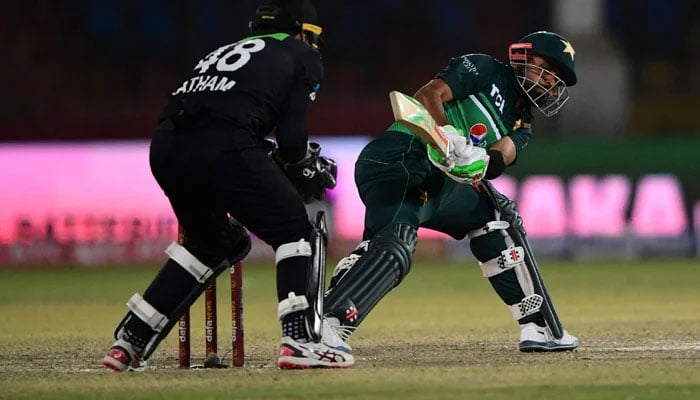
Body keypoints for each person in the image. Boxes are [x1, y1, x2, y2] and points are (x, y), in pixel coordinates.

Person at [102, 0, 353, 371]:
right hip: (224, 143)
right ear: (301, 30)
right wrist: (301, 165)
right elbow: (291, 140)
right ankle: (299, 340)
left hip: (167, 146)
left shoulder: (223, 51)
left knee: (216, 241)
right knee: (296, 230)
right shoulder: (300, 54)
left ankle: (130, 340)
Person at [320, 31, 581, 360]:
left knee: (497, 216)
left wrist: (481, 161)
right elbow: (428, 95)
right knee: (396, 245)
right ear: (522, 58)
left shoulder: (522, 124)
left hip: (442, 185)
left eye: (556, 81)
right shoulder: (486, 69)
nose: (549, 84)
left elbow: (502, 156)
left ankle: (538, 326)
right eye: (545, 70)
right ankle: (329, 323)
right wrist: (448, 133)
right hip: (402, 157)